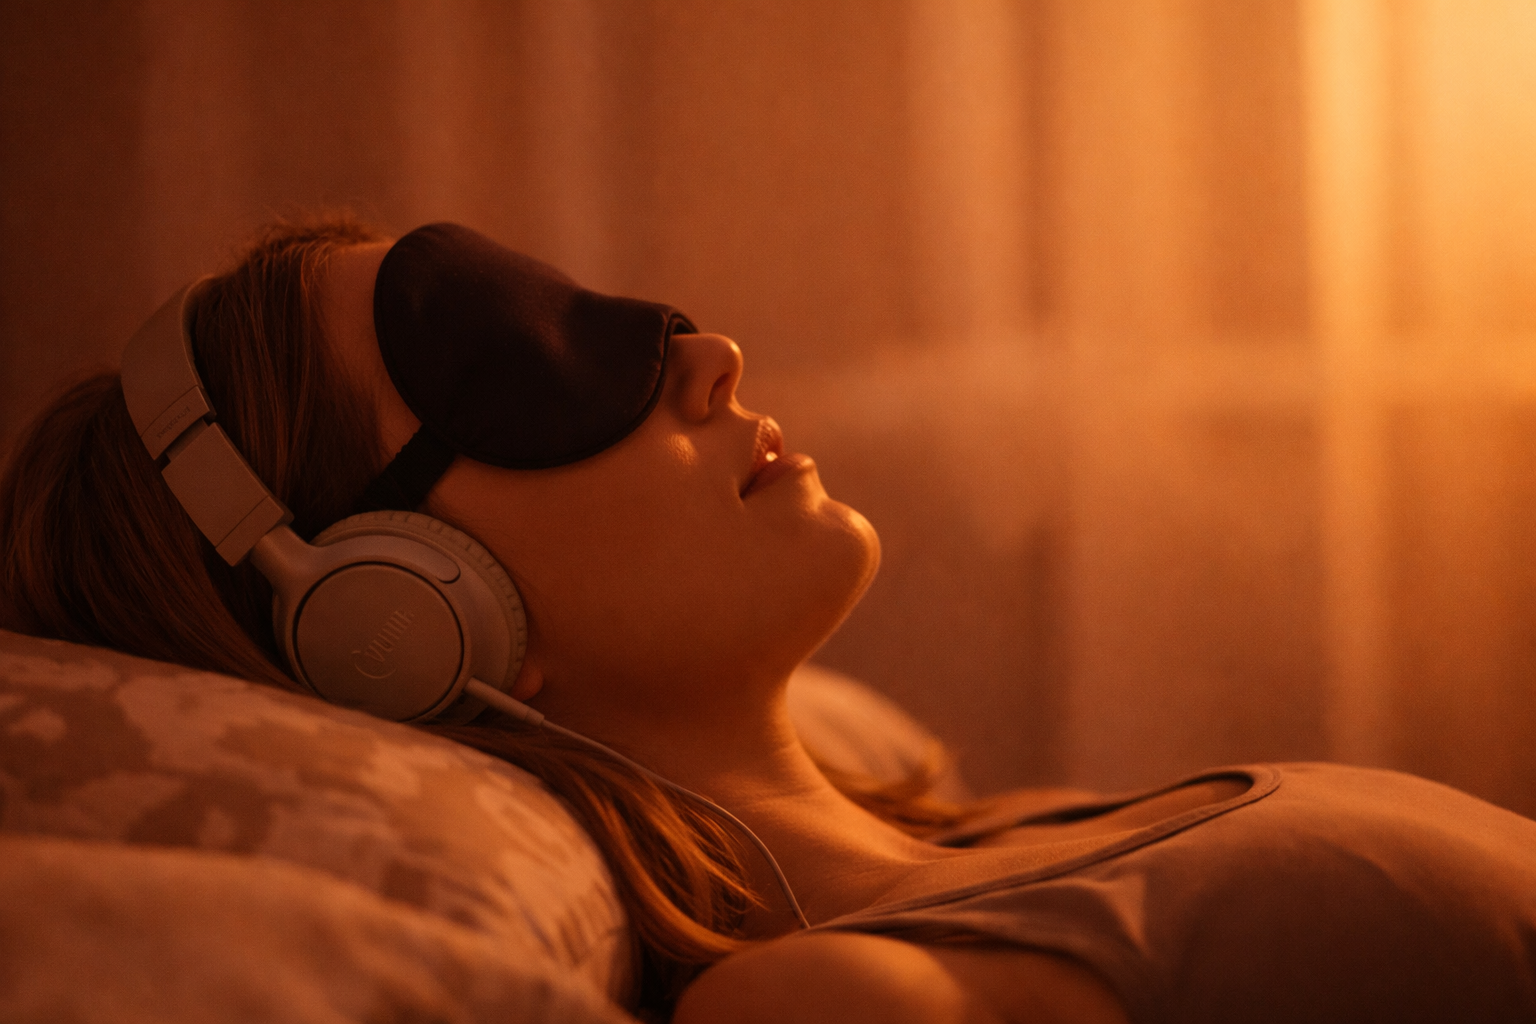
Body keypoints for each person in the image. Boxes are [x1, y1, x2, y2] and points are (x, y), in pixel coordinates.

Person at [2, 218, 1533, 1024]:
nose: (711, 356)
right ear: (390, 618)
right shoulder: (833, 994)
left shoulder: (993, 832)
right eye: (529, 361)